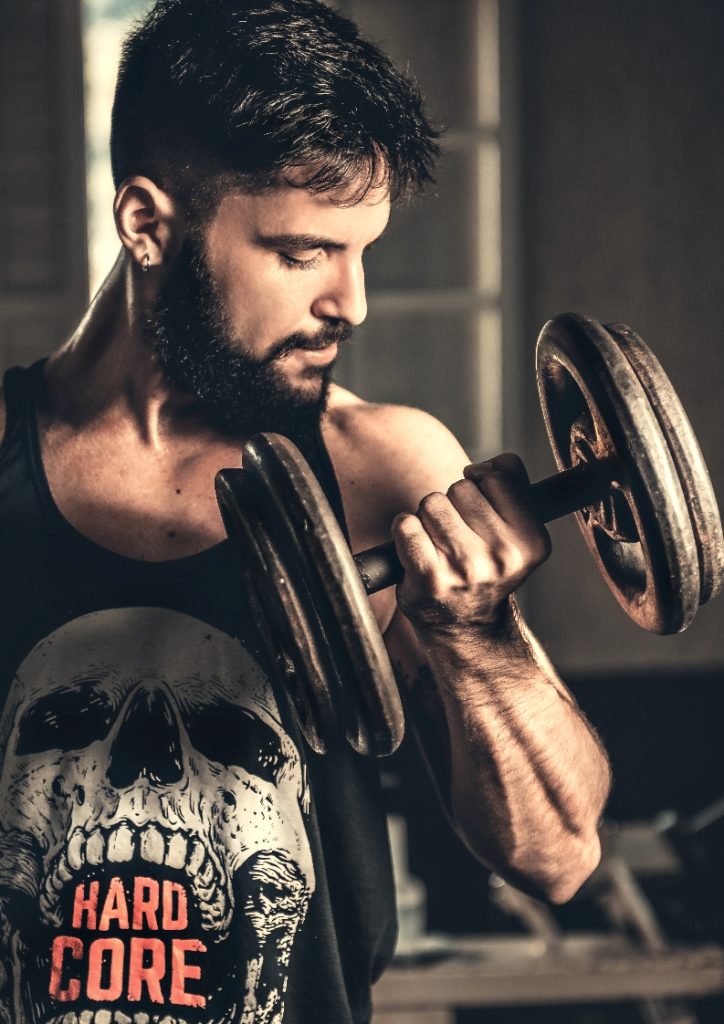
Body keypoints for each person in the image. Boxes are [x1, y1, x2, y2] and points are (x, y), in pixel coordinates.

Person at [0, 1, 611, 1022]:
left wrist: (480, 634)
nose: (351, 302)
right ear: (147, 223)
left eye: (359, 250)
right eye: (302, 253)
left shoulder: (381, 467)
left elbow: (557, 855)